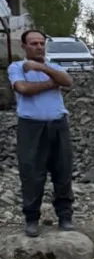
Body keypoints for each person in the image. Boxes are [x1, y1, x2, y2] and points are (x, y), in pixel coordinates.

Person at [7, 30, 75, 237]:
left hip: (58, 125)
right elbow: (23, 88)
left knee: (62, 171)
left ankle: (65, 217)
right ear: (24, 46)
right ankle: (31, 219)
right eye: (33, 43)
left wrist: (40, 67)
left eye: (41, 43)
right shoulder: (16, 67)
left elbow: (67, 81)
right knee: (32, 174)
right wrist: (50, 84)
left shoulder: (51, 66)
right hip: (31, 127)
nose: (38, 47)